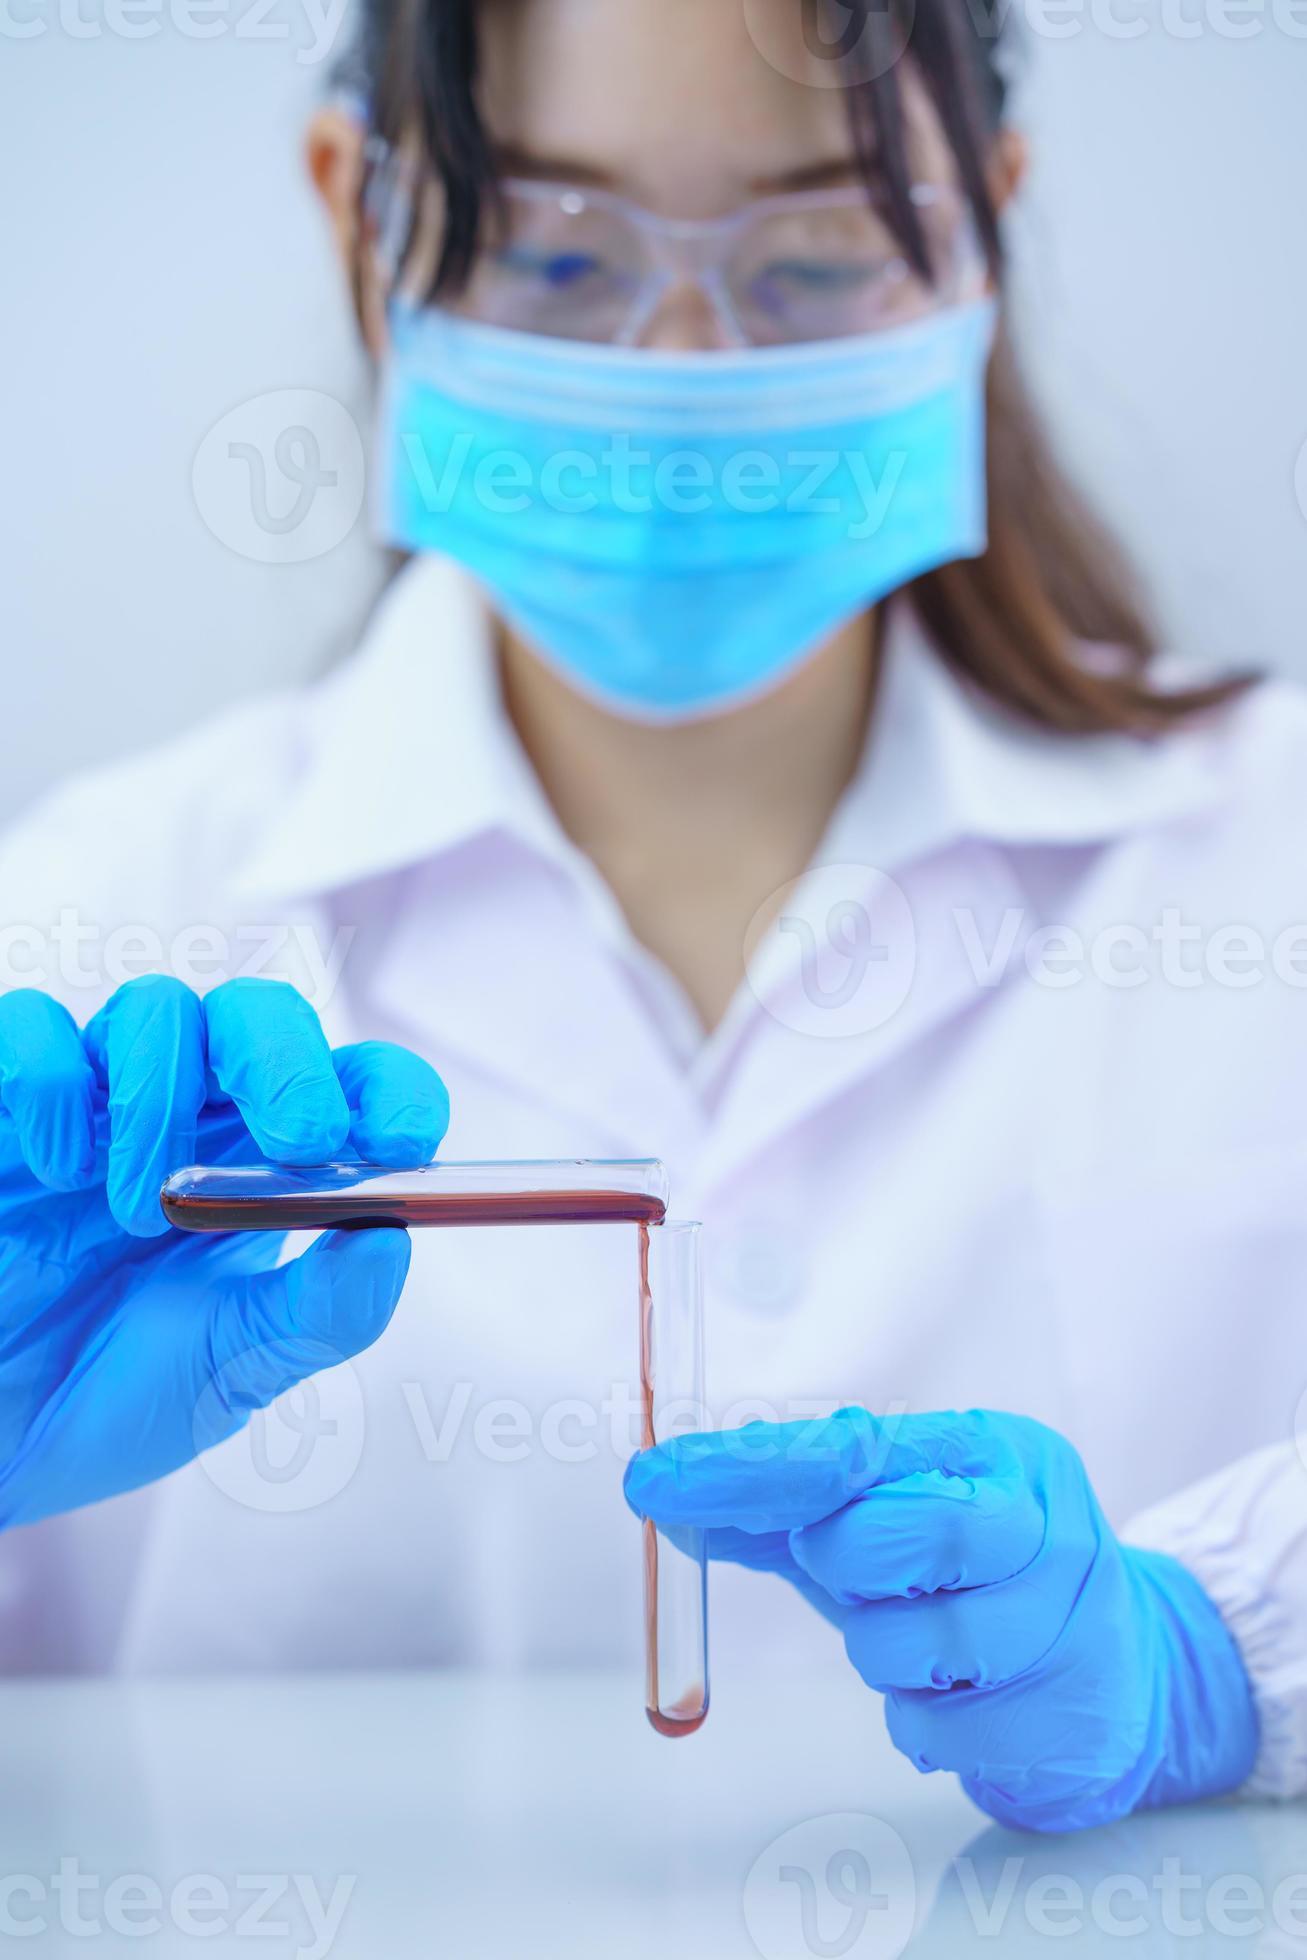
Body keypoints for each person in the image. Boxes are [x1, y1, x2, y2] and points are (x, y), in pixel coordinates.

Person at [2, 0, 1306, 1832]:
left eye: (816, 255)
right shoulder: (82, 911)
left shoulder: (1273, 866)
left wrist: (1219, 1655)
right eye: (553, 249)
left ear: (982, 237)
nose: (685, 362)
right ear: (362, 222)